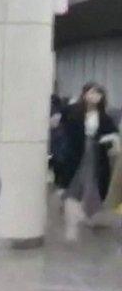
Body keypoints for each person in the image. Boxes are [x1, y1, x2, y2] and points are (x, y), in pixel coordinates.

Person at [53, 83, 120, 239]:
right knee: (74, 183)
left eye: (98, 94)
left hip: (96, 152)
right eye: (91, 93)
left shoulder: (104, 116)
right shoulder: (73, 111)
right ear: (85, 94)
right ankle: (72, 220)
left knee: (92, 182)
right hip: (75, 152)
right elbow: (59, 120)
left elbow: (112, 132)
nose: (94, 97)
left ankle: (86, 214)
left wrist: (109, 140)